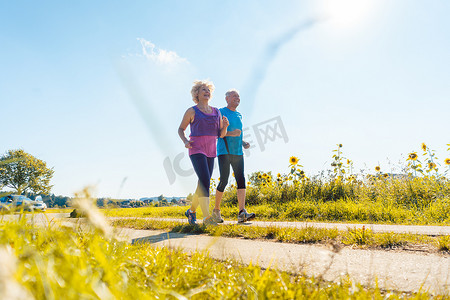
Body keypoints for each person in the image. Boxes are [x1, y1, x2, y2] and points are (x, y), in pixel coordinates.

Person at [178, 80, 229, 226]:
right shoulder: (192, 111)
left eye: (208, 90)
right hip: (196, 148)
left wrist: (225, 126)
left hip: (211, 150)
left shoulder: (216, 112)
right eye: (203, 90)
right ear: (197, 94)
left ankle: (191, 211)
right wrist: (185, 141)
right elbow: (180, 129)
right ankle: (206, 217)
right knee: (205, 179)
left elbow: (221, 134)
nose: (207, 92)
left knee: (202, 182)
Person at [213, 89, 255, 223]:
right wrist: (232, 133)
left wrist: (242, 142)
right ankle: (216, 211)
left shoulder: (239, 115)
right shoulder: (221, 112)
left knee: (241, 180)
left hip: (238, 152)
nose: (237, 98)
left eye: (238, 96)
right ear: (227, 99)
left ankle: (242, 212)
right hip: (224, 151)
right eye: (234, 96)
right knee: (224, 180)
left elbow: (238, 133)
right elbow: (218, 133)